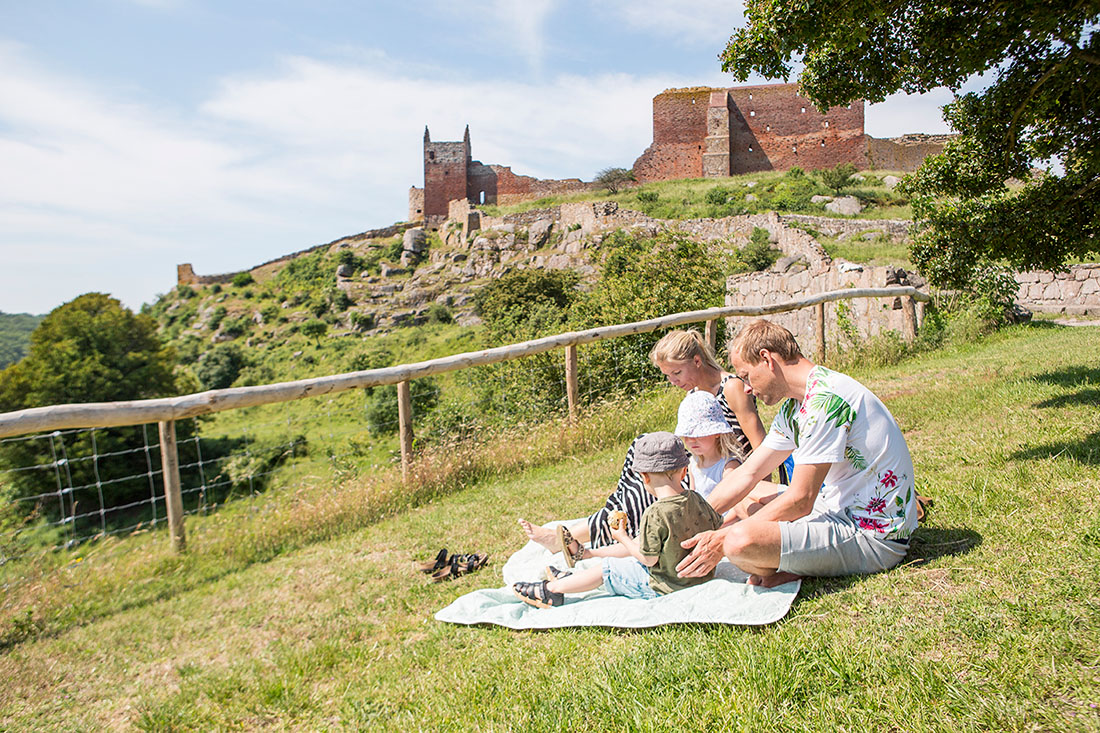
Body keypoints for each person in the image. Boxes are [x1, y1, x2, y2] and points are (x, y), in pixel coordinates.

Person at [676, 319, 918, 587]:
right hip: (836, 508)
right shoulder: (797, 405)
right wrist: (694, 519)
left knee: (737, 542)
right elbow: (749, 472)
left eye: (745, 376)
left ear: (767, 359)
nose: (745, 387)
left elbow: (801, 499)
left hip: (872, 537)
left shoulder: (825, 401)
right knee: (744, 500)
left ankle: (802, 562)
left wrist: (722, 539)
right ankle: (802, 560)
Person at [518, 329, 765, 555]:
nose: (673, 382)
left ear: (697, 361)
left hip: (725, 472)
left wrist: (756, 498)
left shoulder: (730, 387)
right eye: (668, 376)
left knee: (647, 487)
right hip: (700, 463)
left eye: (677, 373)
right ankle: (608, 521)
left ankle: (572, 535)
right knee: (641, 448)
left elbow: (760, 446)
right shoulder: (694, 392)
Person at [512, 432, 722, 608]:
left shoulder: (655, 513)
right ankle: (576, 571)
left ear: (644, 477)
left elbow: (648, 559)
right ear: (684, 471)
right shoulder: (696, 499)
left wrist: (622, 537)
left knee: (609, 569)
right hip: (699, 576)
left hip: (665, 585)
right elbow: (717, 526)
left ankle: (551, 590)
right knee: (633, 551)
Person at [674, 390, 742, 504]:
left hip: (727, 519)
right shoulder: (693, 463)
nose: (691, 440)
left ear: (717, 433)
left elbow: (737, 504)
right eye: (687, 435)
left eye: (698, 435)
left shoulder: (728, 466)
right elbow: (693, 499)